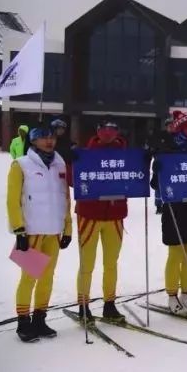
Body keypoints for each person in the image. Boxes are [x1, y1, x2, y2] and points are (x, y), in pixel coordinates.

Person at [9, 125, 72, 342]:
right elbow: (12, 200)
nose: (49, 141)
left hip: (53, 231)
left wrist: (68, 228)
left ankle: (40, 317)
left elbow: (65, 197)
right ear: (33, 141)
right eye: (43, 137)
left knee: (47, 278)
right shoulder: (21, 165)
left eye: (52, 137)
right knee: (29, 277)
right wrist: (19, 230)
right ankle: (23, 321)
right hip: (32, 231)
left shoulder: (60, 163)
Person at [152, 111, 187, 315]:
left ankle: (186, 294)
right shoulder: (166, 147)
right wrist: (158, 169)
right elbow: (154, 183)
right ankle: (172, 296)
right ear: (183, 129)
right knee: (176, 252)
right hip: (175, 205)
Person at [73, 118, 129, 323]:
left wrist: (145, 160)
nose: (108, 132)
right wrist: (73, 162)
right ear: (97, 131)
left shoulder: (125, 154)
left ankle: (109, 303)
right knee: (86, 264)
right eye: (104, 128)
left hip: (115, 216)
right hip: (89, 215)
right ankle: (83, 305)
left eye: (113, 128)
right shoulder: (85, 153)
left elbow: (135, 178)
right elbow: (73, 181)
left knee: (111, 263)